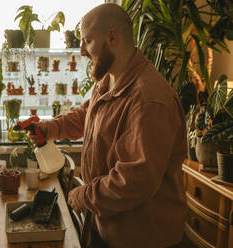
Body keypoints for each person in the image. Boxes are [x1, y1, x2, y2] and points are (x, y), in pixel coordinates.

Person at [28, 3, 187, 248]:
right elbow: (87, 115)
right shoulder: (111, 78)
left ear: (112, 37)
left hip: (143, 240)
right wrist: (50, 128)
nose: (81, 50)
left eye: (87, 41)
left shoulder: (148, 101)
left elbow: (134, 181)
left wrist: (84, 195)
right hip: (109, 228)